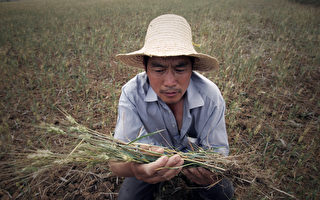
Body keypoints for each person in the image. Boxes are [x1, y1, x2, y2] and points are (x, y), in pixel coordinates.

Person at [109, 14, 234, 200]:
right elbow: (116, 161)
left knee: (222, 192)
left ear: (192, 68)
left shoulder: (210, 96)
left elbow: (218, 154)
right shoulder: (132, 93)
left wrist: (210, 174)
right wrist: (138, 169)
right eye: (159, 70)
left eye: (180, 69)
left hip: (196, 164)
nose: (169, 82)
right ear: (145, 68)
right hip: (150, 161)